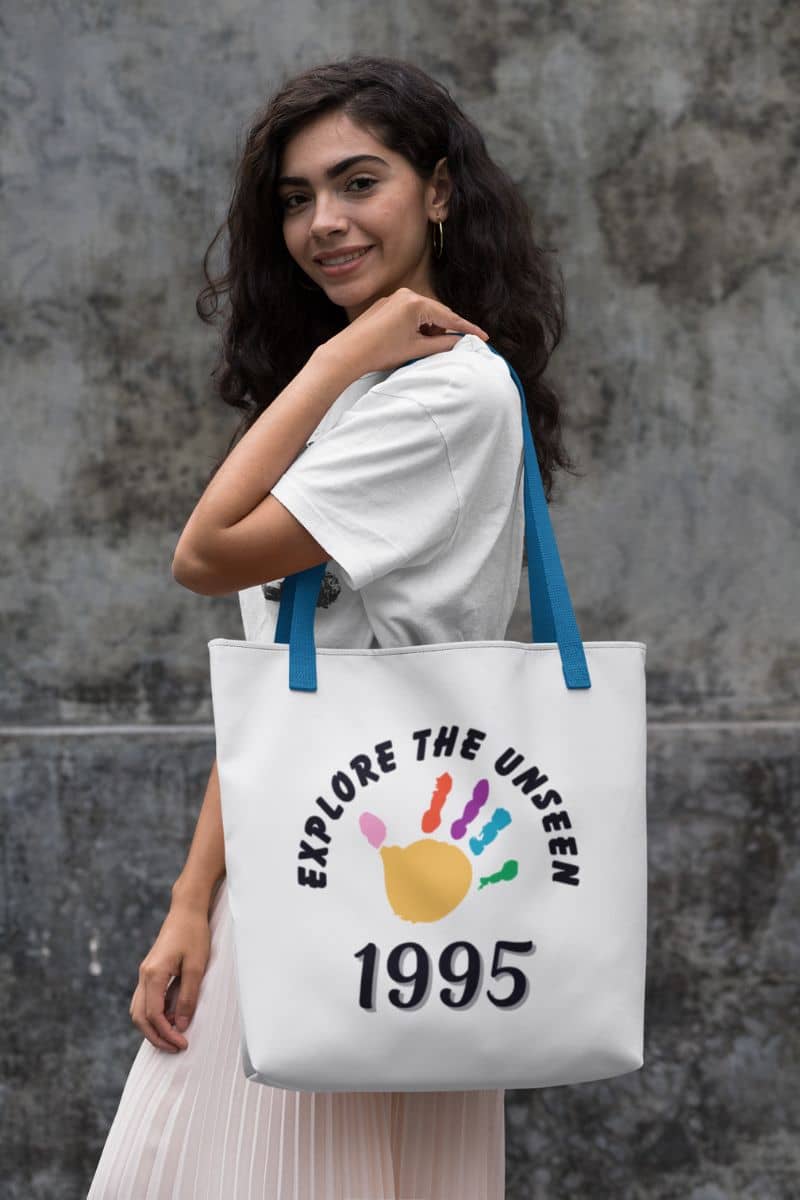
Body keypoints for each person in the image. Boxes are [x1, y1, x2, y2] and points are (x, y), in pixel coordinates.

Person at [86, 52, 576, 1199]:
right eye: (296, 198)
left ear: (440, 191)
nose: (324, 222)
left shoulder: (440, 391)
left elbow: (203, 555)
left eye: (359, 183)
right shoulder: (376, 388)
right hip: (328, 872)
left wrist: (341, 352)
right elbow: (287, 681)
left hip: (350, 891)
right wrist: (191, 904)